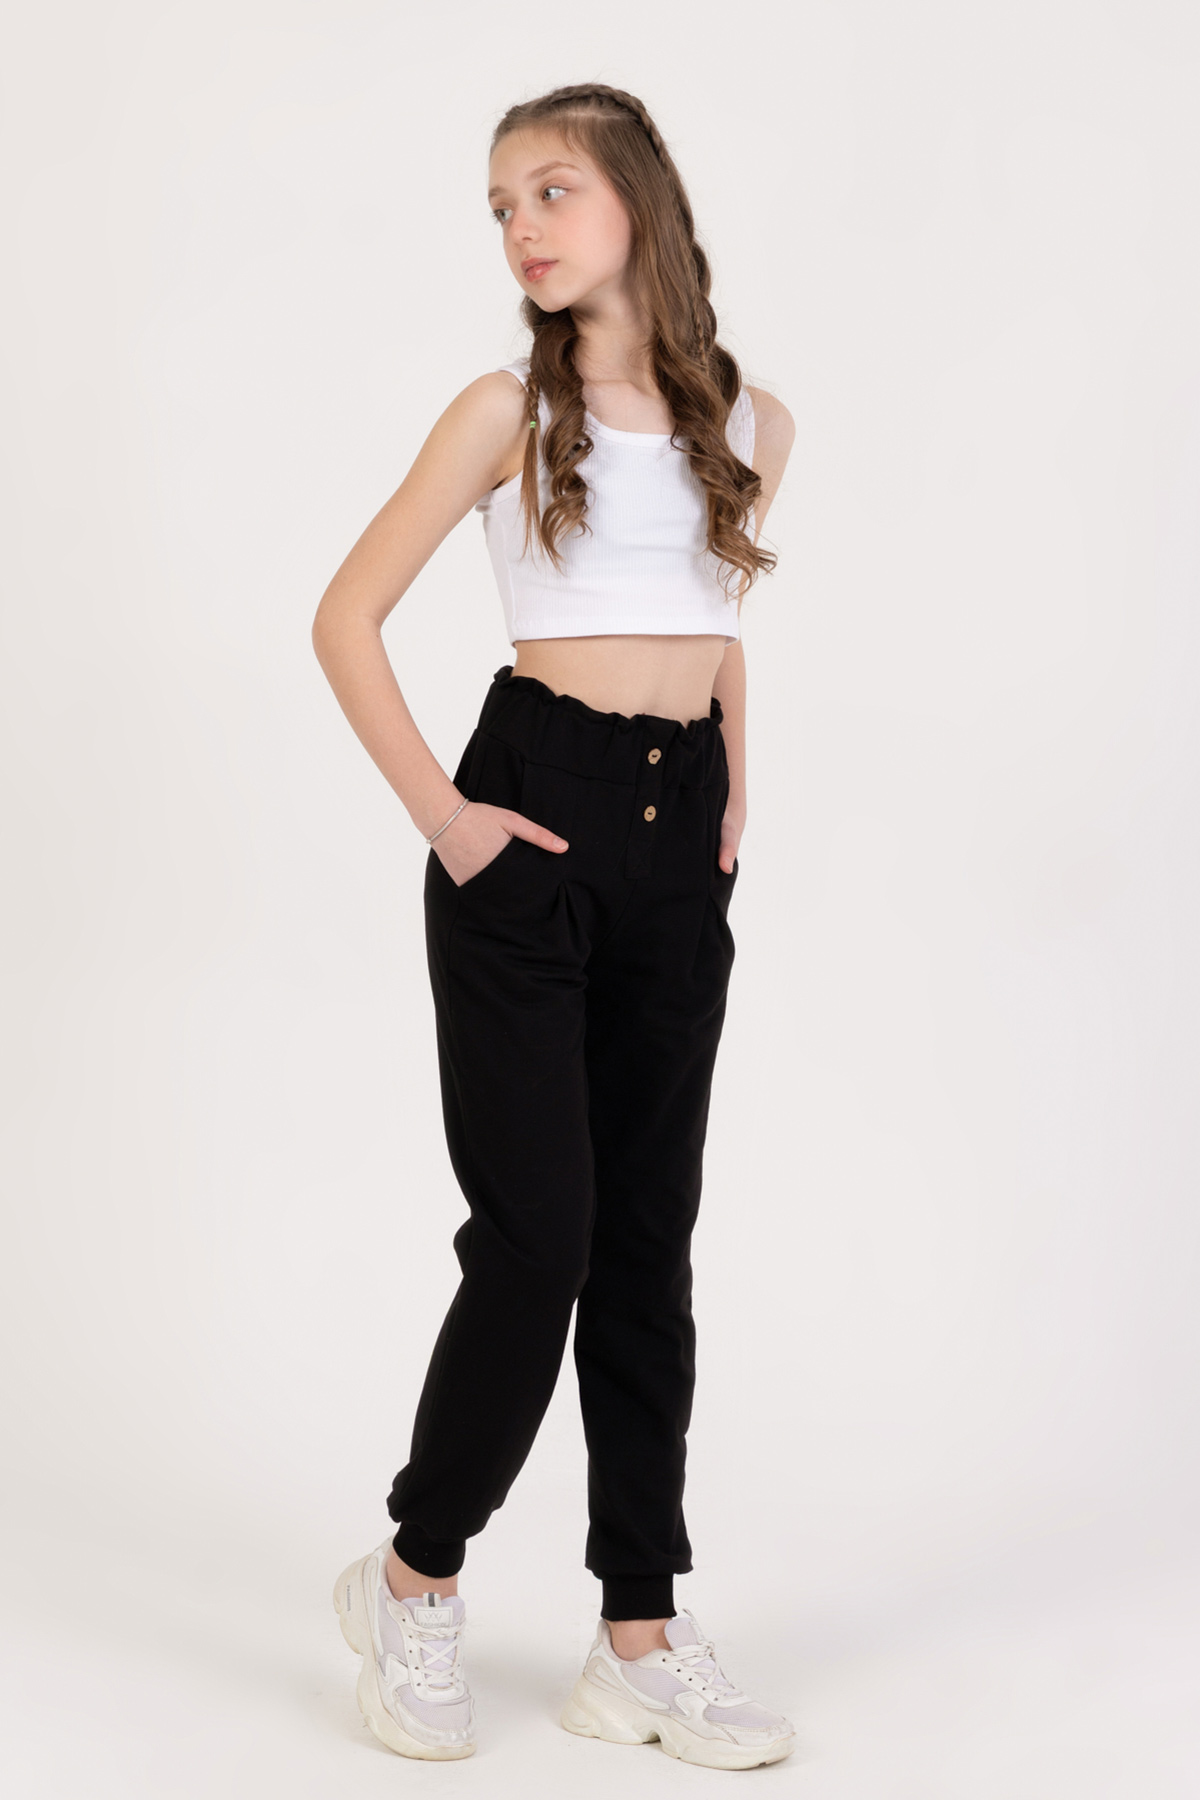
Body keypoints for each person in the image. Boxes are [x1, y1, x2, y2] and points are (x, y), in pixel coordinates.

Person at [313, 82, 796, 1771]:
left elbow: (710, 619)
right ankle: (415, 1576)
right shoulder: (502, 413)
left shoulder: (753, 418)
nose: (522, 226)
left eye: (553, 189)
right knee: (543, 1241)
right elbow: (346, 615)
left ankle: (637, 1639)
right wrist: (450, 825)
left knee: (649, 1246)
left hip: (677, 848)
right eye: (503, 204)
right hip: (528, 821)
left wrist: (735, 780)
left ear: (637, 199)